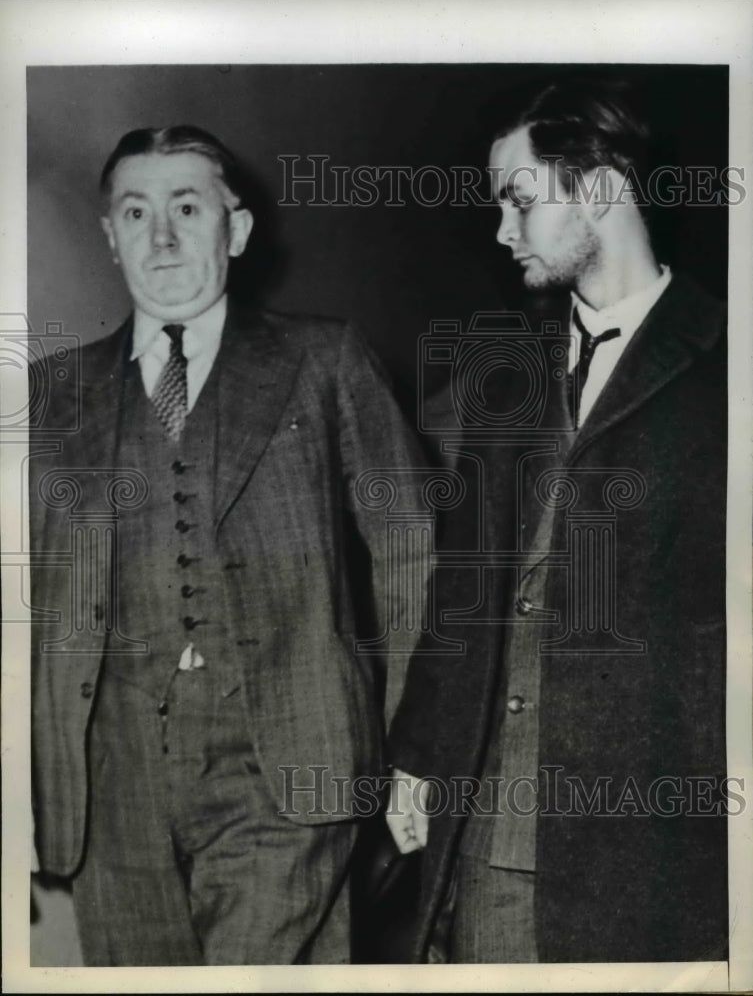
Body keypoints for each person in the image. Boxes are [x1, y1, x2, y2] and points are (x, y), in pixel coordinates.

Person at [29, 125, 428, 965]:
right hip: (112, 791)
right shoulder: (51, 395)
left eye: (186, 207)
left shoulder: (324, 360)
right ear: (109, 235)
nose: (162, 236)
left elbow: (414, 561)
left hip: (290, 771)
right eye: (136, 212)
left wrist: (416, 750)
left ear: (235, 231)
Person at [387, 77, 728, 963]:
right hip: (491, 837)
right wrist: (418, 755)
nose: (502, 231)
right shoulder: (506, 376)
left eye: (518, 199)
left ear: (601, 187)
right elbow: (460, 587)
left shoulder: (728, 369)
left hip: (653, 858)